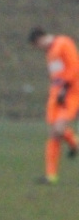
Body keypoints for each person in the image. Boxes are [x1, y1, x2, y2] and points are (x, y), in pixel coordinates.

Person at [28, 26, 79, 184]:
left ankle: (74, 143)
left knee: (58, 129)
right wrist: (56, 92)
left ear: (41, 39)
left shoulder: (64, 43)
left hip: (70, 93)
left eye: (37, 45)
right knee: (53, 133)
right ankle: (51, 176)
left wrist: (64, 88)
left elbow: (75, 67)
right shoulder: (49, 53)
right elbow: (56, 75)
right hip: (56, 95)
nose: (39, 49)